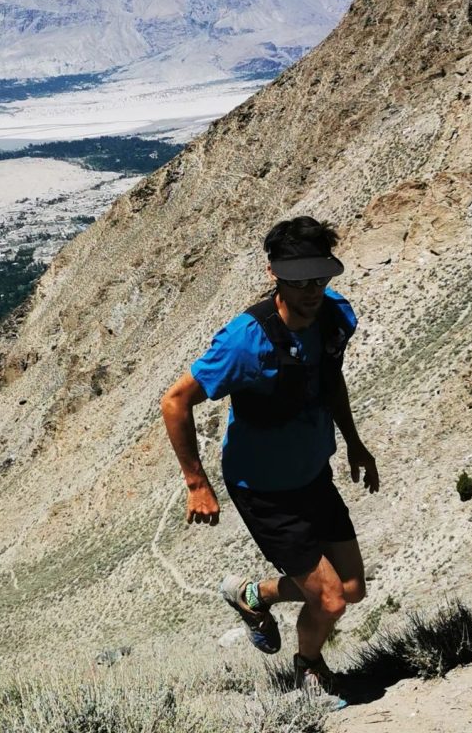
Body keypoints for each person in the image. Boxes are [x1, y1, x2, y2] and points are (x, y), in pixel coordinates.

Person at [160, 216, 379, 703]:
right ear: (273, 274)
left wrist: (354, 443)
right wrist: (196, 483)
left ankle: (251, 595)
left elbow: (329, 381)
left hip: (312, 473)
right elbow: (175, 401)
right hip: (263, 488)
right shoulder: (245, 341)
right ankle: (309, 671)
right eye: (298, 280)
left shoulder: (334, 317)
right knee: (329, 599)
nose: (310, 290)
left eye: (319, 278)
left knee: (351, 587)